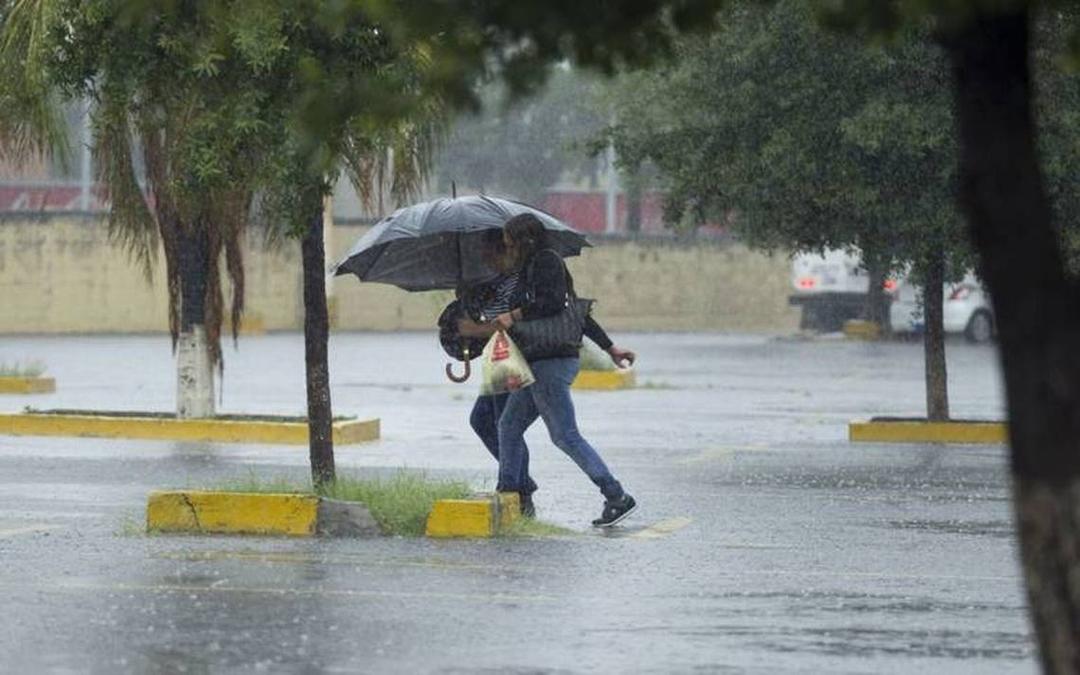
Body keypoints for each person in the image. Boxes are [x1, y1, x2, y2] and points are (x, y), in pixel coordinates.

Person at [455, 229, 629, 520]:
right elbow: (576, 313)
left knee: (565, 435)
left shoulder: (544, 264)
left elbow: (556, 306)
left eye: (510, 242)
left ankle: (615, 494)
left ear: (525, 240)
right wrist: (611, 349)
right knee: (508, 426)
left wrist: (510, 316)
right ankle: (511, 492)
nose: (508, 247)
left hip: (550, 362)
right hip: (535, 362)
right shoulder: (531, 272)